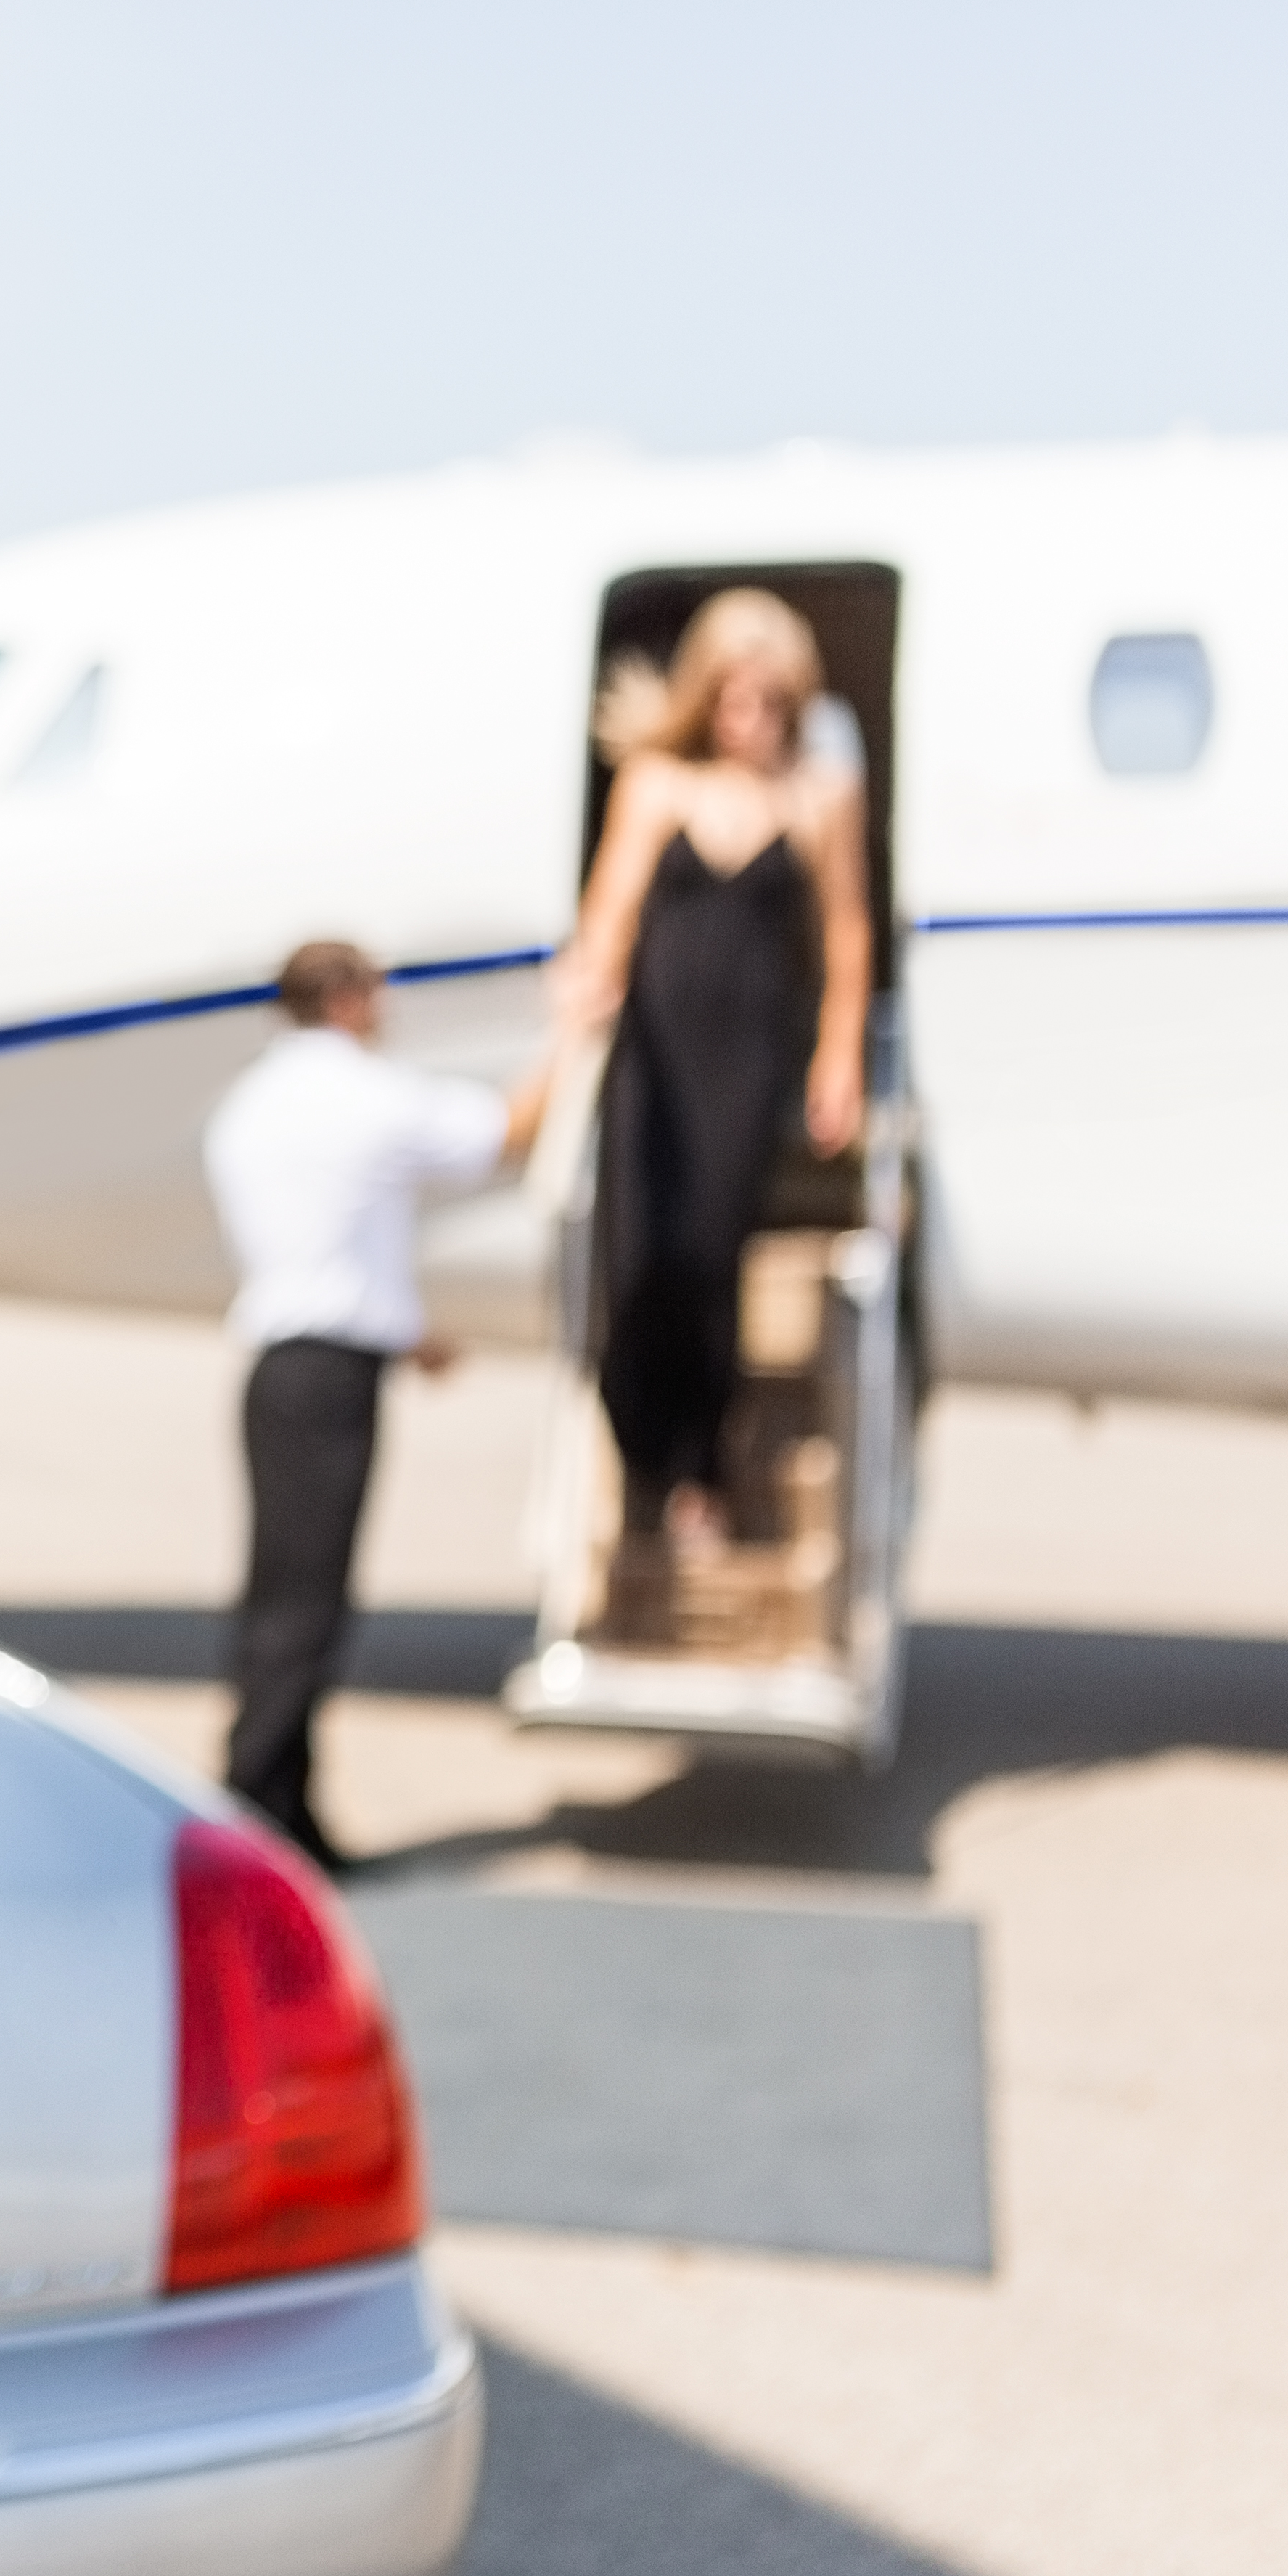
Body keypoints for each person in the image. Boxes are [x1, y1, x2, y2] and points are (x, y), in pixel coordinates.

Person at [202, 943, 551, 1867]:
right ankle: (256, 1806)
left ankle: (289, 1807)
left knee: (283, 1593)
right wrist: (580, 1025)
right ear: (352, 999)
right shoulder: (363, 1096)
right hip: (328, 1382)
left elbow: (322, 1257)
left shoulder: (251, 1104)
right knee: (307, 1607)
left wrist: (407, 1333)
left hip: (279, 1368)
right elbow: (507, 1131)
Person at [573, 588, 874, 1558]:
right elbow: (612, 909)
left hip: (744, 1052)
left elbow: (846, 933)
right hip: (652, 1053)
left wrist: (839, 1057)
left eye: (772, 703)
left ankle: (700, 1468)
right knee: (637, 1254)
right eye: (737, 700)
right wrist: (589, 986)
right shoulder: (658, 782)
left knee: (710, 1255)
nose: (753, 722)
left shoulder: (821, 793)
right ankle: (639, 1458)